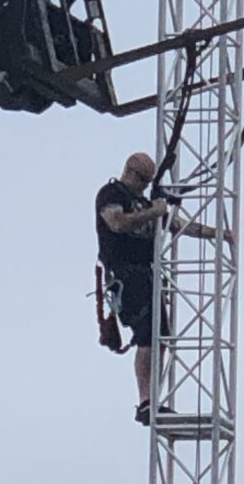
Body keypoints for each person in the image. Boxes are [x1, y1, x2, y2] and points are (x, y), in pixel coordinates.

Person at [94, 151, 228, 424]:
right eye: (143, 179)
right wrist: (151, 213)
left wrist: (219, 234)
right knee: (146, 334)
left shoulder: (144, 201)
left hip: (147, 276)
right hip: (126, 275)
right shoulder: (112, 194)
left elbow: (178, 226)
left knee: (160, 335)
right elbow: (117, 223)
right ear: (130, 171)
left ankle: (151, 400)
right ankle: (145, 401)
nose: (144, 185)